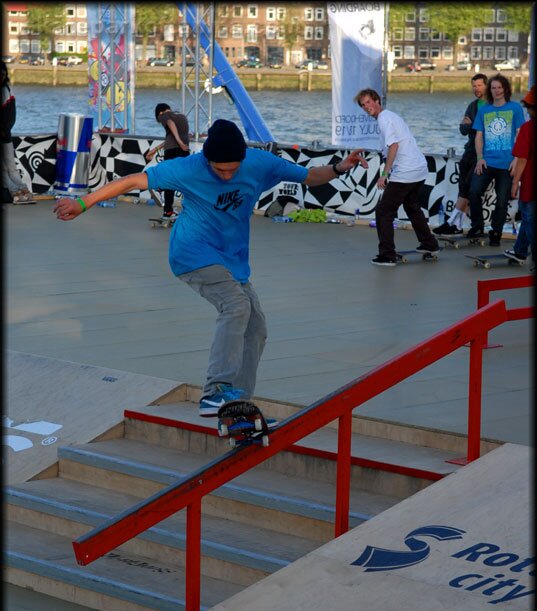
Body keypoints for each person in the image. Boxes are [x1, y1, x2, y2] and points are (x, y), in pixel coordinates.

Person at [54, 118, 367, 416]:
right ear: (207, 160)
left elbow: (310, 176)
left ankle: (236, 404)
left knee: (256, 329)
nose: (227, 176)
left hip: (231, 259)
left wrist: (340, 167)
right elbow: (134, 180)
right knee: (236, 305)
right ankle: (216, 390)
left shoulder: (261, 163)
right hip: (192, 253)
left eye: (233, 169)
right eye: (219, 170)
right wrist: (83, 203)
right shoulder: (188, 168)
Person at [355, 88, 439, 266]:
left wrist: (384, 174)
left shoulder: (384, 119)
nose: (367, 107)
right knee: (411, 206)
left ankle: (387, 255)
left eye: (369, 102)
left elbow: (393, 146)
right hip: (419, 169)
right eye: (363, 105)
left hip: (406, 172)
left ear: (377, 100)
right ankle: (430, 244)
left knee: (383, 212)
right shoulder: (391, 116)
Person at [467, 73, 525, 246]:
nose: (497, 91)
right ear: (489, 90)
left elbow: (520, 135)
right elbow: (479, 136)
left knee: (502, 201)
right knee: (473, 192)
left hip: (507, 164)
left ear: (505, 89)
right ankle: (477, 226)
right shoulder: (484, 109)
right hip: (487, 162)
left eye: (500, 87)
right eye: (493, 88)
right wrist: (480, 158)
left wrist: (516, 158)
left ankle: (496, 232)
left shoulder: (515, 108)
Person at [433, 73, 488, 236]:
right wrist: (470, 126)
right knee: (463, 188)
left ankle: (453, 223)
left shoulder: (492, 106)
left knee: (470, 189)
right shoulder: (472, 105)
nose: (476, 89)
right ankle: (455, 224)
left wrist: (471, 125)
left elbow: (487, 130)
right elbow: (463, 129)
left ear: (487, 86)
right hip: (468, 152)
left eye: (479, 85)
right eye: (474, 86)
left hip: (483, 154)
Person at [504, 85, 535, 268]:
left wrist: (515, 183)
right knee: (528, 219)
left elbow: (522, 159)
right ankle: (520, 251)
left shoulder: (527, 128)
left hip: (530, 184)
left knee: (529, 219)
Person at [145, 103, 190, 221]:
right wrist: (154, 150)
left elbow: (170, 123)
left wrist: (179, 142)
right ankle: (173, 210)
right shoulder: (182, 116)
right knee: (184, 178)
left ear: (160, 112)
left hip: (173, 150)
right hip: (183, 150)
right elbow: (172, 137)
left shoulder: (164, 115)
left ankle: (159, 191)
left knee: (170, 178)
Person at [1, 59, 33, 203]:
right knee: (7, 168)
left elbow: (11, 115)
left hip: (5, 136)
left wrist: (4, 130)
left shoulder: (6, 90)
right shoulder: (7, 90)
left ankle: (20, 190)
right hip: (5, 135)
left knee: (10, 167)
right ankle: (17, 191)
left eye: (3, 74)